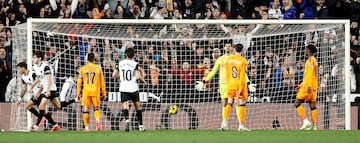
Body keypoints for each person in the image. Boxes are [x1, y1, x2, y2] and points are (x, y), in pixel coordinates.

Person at [195, 42, 255, 130]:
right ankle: (225, 124)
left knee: (235, 102)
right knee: (225, 103)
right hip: (223, 84)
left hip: (232, 83)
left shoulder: (232, 59)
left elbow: (242, 73)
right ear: (224, 48)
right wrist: (204, 81)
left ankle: (239, 124)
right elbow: (213, 71)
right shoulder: (221, 59)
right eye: (226, 46)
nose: (227, 47)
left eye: (229, 46)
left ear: (232, 48)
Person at [112, 48, 147, 132]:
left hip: (123, 88)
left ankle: (127, 120)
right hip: (133, 88)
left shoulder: (120, 63)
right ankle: (141, 126)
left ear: (126, 55)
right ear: (133, 55)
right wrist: (144, 81)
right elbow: (138, 76)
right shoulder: (135, 64)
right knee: (138, 107)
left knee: (125, 106)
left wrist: (122, 77)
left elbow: (114, 75)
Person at [223, 43, 250, 131]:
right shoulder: (243, 61)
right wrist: (241, 88)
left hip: (230, 84)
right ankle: (241, 125)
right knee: (241, 103)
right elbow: (243, 75)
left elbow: (226, 73)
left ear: (234, 49)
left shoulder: (228, 59)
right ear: (242, 50)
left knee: (230, 102)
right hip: (239, 84)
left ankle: (224, 122)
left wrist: (228, 82)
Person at [77, 53, 106, 132]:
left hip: (86, 92)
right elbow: (102, 82)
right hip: (95, 91)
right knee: (96, 108)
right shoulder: (98, 69)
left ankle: (87, 127)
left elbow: (79, 82)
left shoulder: (82, 69)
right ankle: (97, 121)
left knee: (86, 109)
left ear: (87, 59)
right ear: (94, 59)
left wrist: (78, 92)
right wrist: (104, 93)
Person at [32, 51, 60, 132]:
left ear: (39, 58)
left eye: (35, 57)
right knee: (58, 106)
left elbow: (49, 79)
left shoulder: (46, 67)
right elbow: (41, 80)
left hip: (50, 89)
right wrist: (38, 91)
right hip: (46, 89)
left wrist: (47, 90)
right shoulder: (36, 67)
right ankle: (55, 125)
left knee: (41, 107)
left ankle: (37, 125)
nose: (33, 59)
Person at [294, 44, 318, 130]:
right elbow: (310, 75)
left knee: (296, 103)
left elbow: (310, 75)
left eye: (306, 49)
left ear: (309, 51)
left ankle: (306, 121)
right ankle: (314, 125)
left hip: (308, 87)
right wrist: (300, 85)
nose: (305, 51)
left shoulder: (310, 61)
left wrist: (307, 86)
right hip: (314, 86)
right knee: (312, 105)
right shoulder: (313, 60)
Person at [15, 62, 46, 127]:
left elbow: (38, 80)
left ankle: (43, 122)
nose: (18, 70)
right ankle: (42, 120)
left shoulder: (32, 73)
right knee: (27, 106)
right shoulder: (23, 77)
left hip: (42, 92)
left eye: (19, 69)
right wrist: (19, 99)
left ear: (23, 68)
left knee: (43, 111)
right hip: (36, 94)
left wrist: (32, 87)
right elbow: (24, 89)